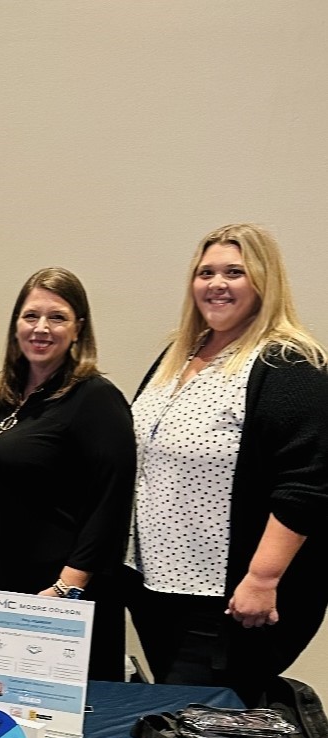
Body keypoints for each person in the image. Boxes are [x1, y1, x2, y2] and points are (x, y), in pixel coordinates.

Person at [126, 223, 328, 701]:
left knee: (196, 715)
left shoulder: (287, 362)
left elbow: (308, 483)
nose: (216, 284)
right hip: (156, 586)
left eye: (234, 272)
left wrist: (262, 578)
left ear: (263, 281)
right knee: (176, 715)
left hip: (227, 599)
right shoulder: (181, 353)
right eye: (206, 272)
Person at [0, 268, 135, 678]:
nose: (41, 328)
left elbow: (111, 504)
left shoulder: (96, 399)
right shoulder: (3, 390)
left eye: (57, 317)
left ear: (78, 329)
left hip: (51, 595)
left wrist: (65, 589)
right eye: (30, 316)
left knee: (51, 727)